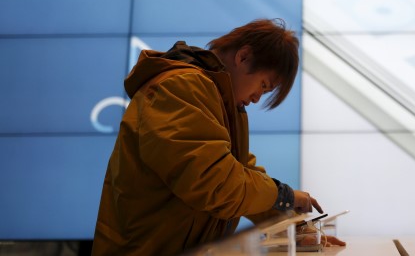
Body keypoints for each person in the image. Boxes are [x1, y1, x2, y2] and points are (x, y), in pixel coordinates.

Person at [92, 19, 341, 255]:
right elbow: (216, 183)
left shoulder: (214, 98)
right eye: (263, 86)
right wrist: (284, 197)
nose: (257, 98)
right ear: (243, 56)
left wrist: (295, 228)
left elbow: (242, 170)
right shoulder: (180, 87)